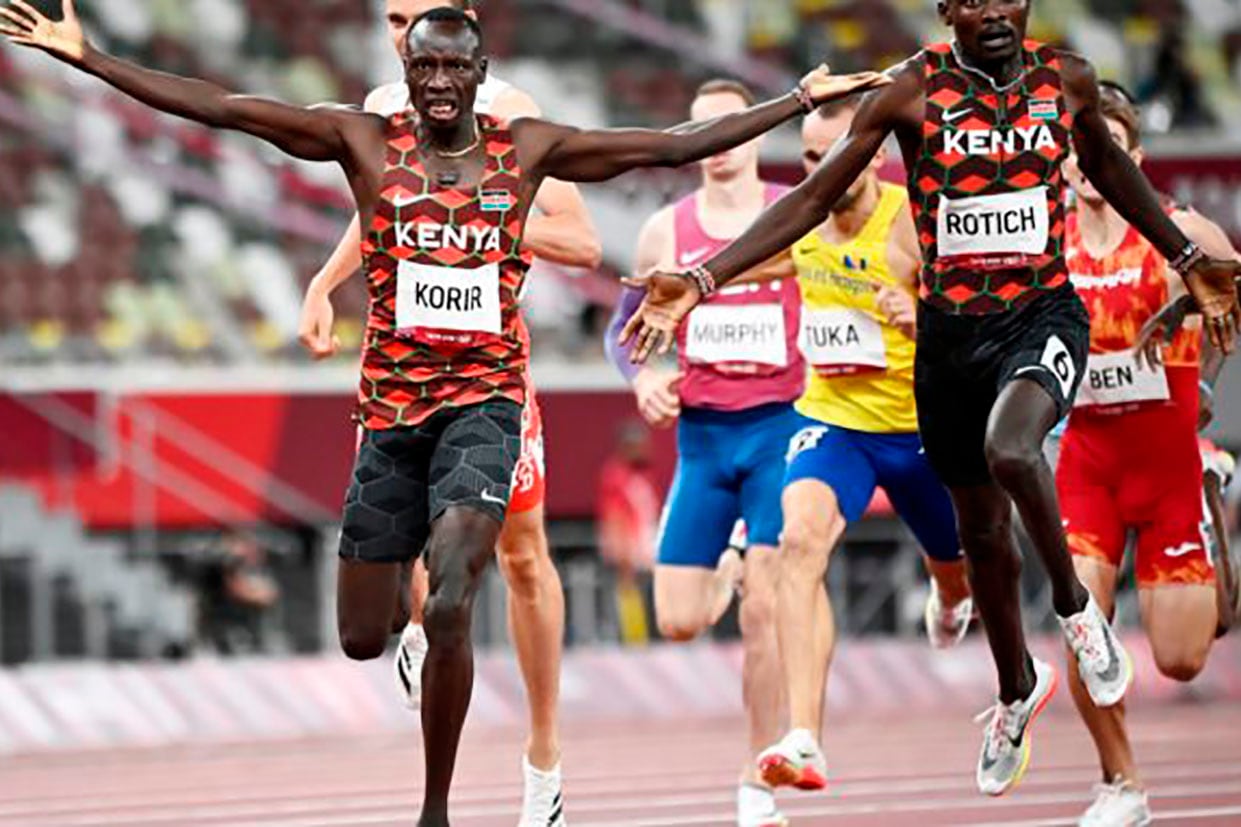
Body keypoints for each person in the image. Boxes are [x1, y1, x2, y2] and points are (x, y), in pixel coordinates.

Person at [0, 5, 890, 821]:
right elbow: (225, 109)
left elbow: (665, 144)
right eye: (421, 65)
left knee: (457, 590)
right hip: (392, 409)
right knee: (361, 634)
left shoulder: (525, 148)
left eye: (452, 67)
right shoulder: (364, 138)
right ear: (405, 70)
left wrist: (793, 101)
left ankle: (437, 807)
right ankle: (397, 612)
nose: (435, 81)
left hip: (485, 402)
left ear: (478, 74)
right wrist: (91, 58)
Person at [619, 0, 1241, 799]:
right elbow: (809, 201)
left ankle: (1076, 611)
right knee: (979, 534)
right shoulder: (911, 92)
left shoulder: (1066, 82)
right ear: (946, 11)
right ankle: (1014, 690)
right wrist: (704, 278)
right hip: (950, 340)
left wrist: (1183, 254)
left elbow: (1114, 173)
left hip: (1041, 315)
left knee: (1011, 447)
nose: (993, 11)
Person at [295, 2, 600, 819]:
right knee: (400, 532)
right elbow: (380, 211)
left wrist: (479, 210)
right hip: (399, 367)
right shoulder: (380, 106)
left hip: (486, 370)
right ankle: (420, 624)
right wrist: (324, 283)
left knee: (523, 556)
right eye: (392, 20)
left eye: (415, 15)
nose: (401, 34)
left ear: (462, 20)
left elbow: (582, 241)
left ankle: (543, 757)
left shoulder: (512, 113)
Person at [753, 96, 975, 791]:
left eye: (835, 154)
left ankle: (949, 597)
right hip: (833, 423)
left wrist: (920, 318)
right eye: (810, 157)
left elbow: (977, 330)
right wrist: (679, 289)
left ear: (874, 154)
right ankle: (804, 736)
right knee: (798, 544)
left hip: (917, 427)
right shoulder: (802, 217)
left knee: (952, 565)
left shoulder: (912, 221)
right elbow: (738, 263)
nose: (822, 169)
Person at [606, 77, 803, 827]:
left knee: (764, 613)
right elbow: (621, 330)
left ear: (757, 134)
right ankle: (728, 563)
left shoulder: (795, 212)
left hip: (781, 429)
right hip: (704, 442)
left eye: (731, 128)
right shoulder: (665, 231)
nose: (719, 145)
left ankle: (756, 782)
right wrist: (643, 376)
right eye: (702, 132)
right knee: (678, 620)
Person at [1057, 83, 1241, 826]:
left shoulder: (1179, 231)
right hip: (1085, 468)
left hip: (1167, 471)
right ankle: (1120, 783)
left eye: (1106, 149)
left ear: (1132, 157)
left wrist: (1199, 312)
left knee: (1180, 660)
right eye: (1078, 150)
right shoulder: (1043, 247)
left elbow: (1230, 291)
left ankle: (1208, 489)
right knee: (1081, 626)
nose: (1089, 163)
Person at [595, 420, 661, 646]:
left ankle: (651, 636)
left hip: (647, 541)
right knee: (628, 588)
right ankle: (635, 639)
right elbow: (614, 514)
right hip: (630, 544)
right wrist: (622, 547)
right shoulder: (615, 475)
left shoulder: (642, 474)